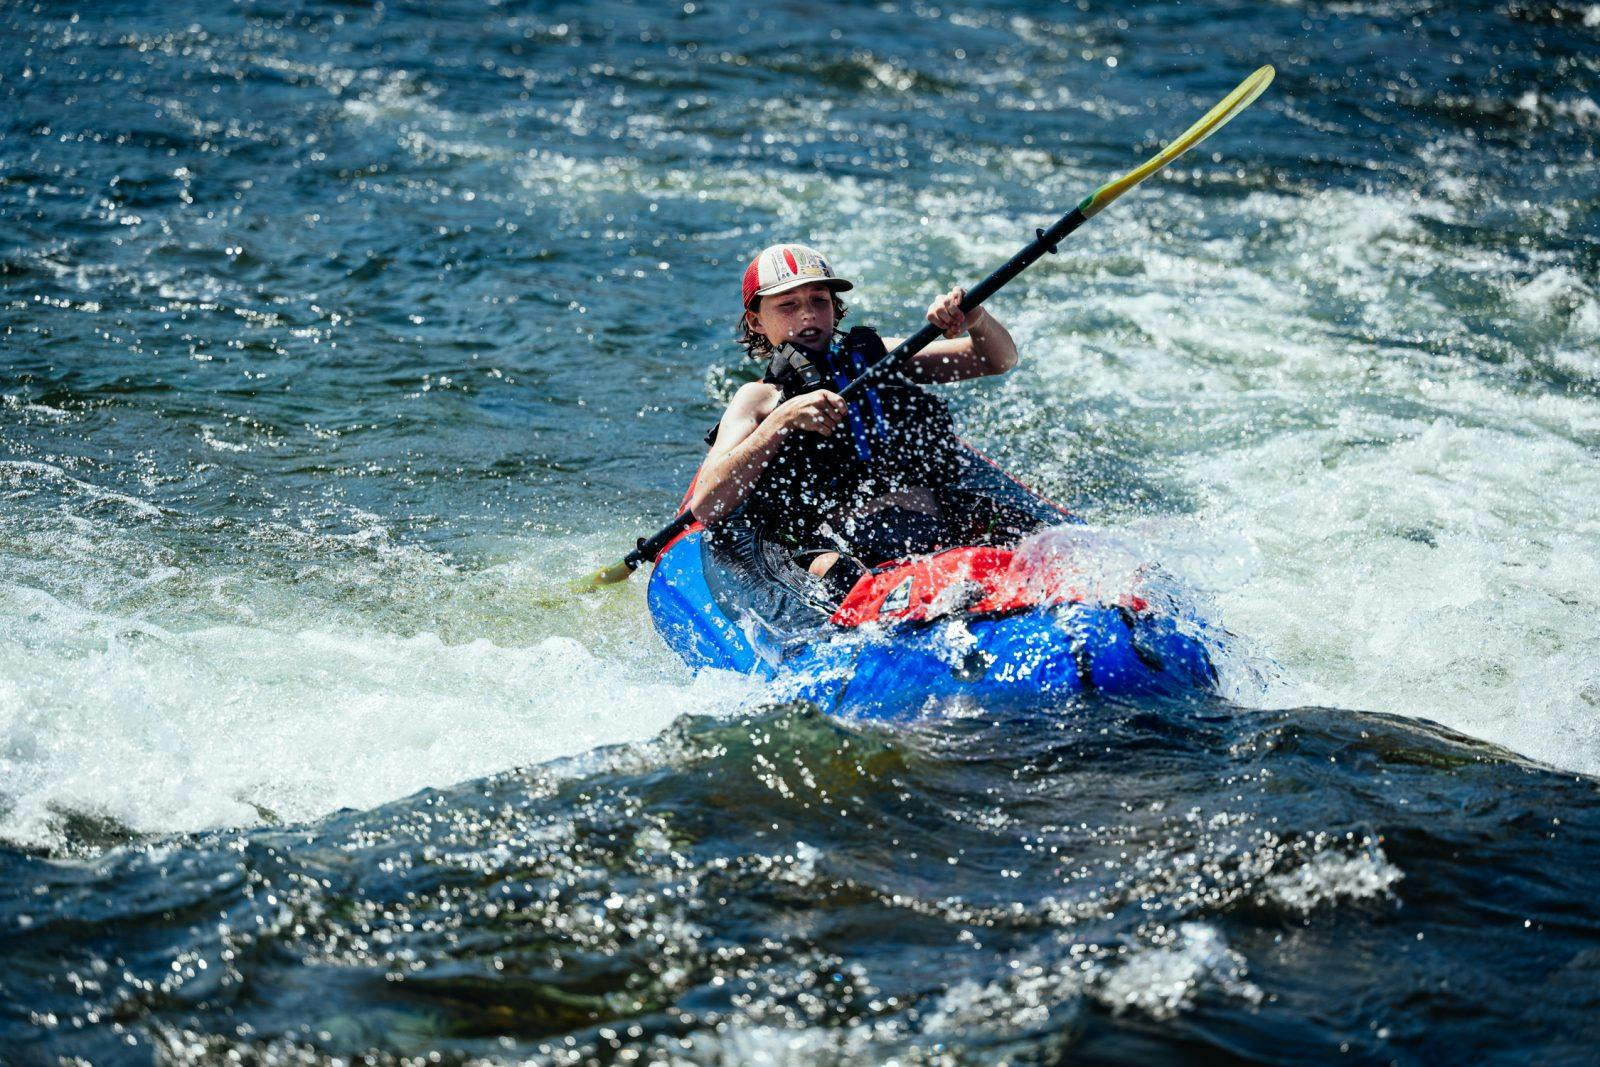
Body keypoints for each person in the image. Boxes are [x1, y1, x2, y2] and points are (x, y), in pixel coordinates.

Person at [689, 243, 1019, 598]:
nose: (807, 315)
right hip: (839, 547)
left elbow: (996, 360)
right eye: (787, 305)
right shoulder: (759, 398)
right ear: (756, 321)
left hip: (929, 520)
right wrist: (781, 420)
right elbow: (707, 504)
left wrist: (977, 320)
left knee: (1029, 536)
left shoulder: (877, 357)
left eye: (820, 301)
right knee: (839, 575)